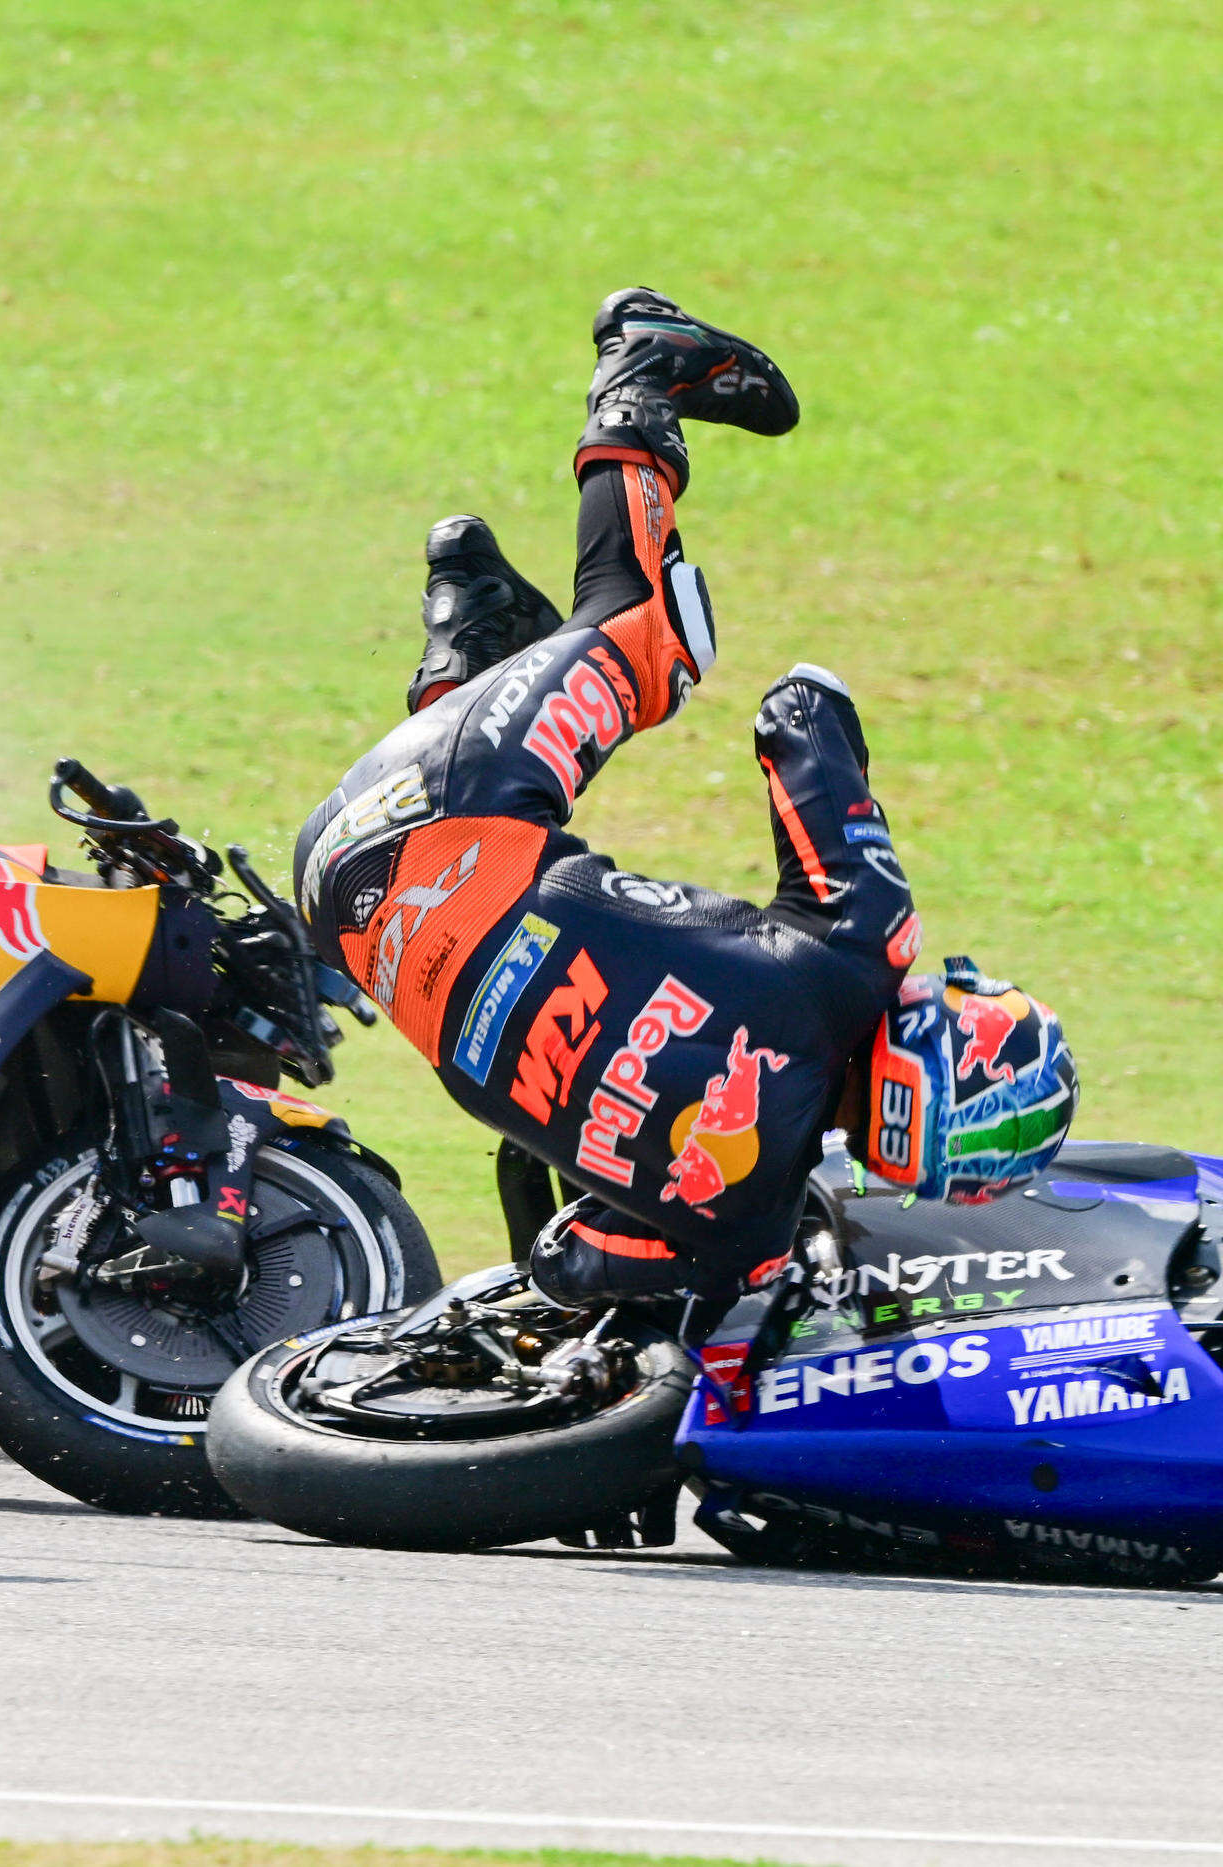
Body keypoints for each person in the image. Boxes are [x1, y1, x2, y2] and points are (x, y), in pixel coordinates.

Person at [294, 289, 1077, 1312]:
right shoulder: (741, 1234)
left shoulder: (855, 953)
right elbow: (564, 1269)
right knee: (539, 907)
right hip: (351, 929)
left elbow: (796, 712)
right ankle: (481, 631)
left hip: (431, 815)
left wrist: (853, 795)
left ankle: (640, 367)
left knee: (653, 640)